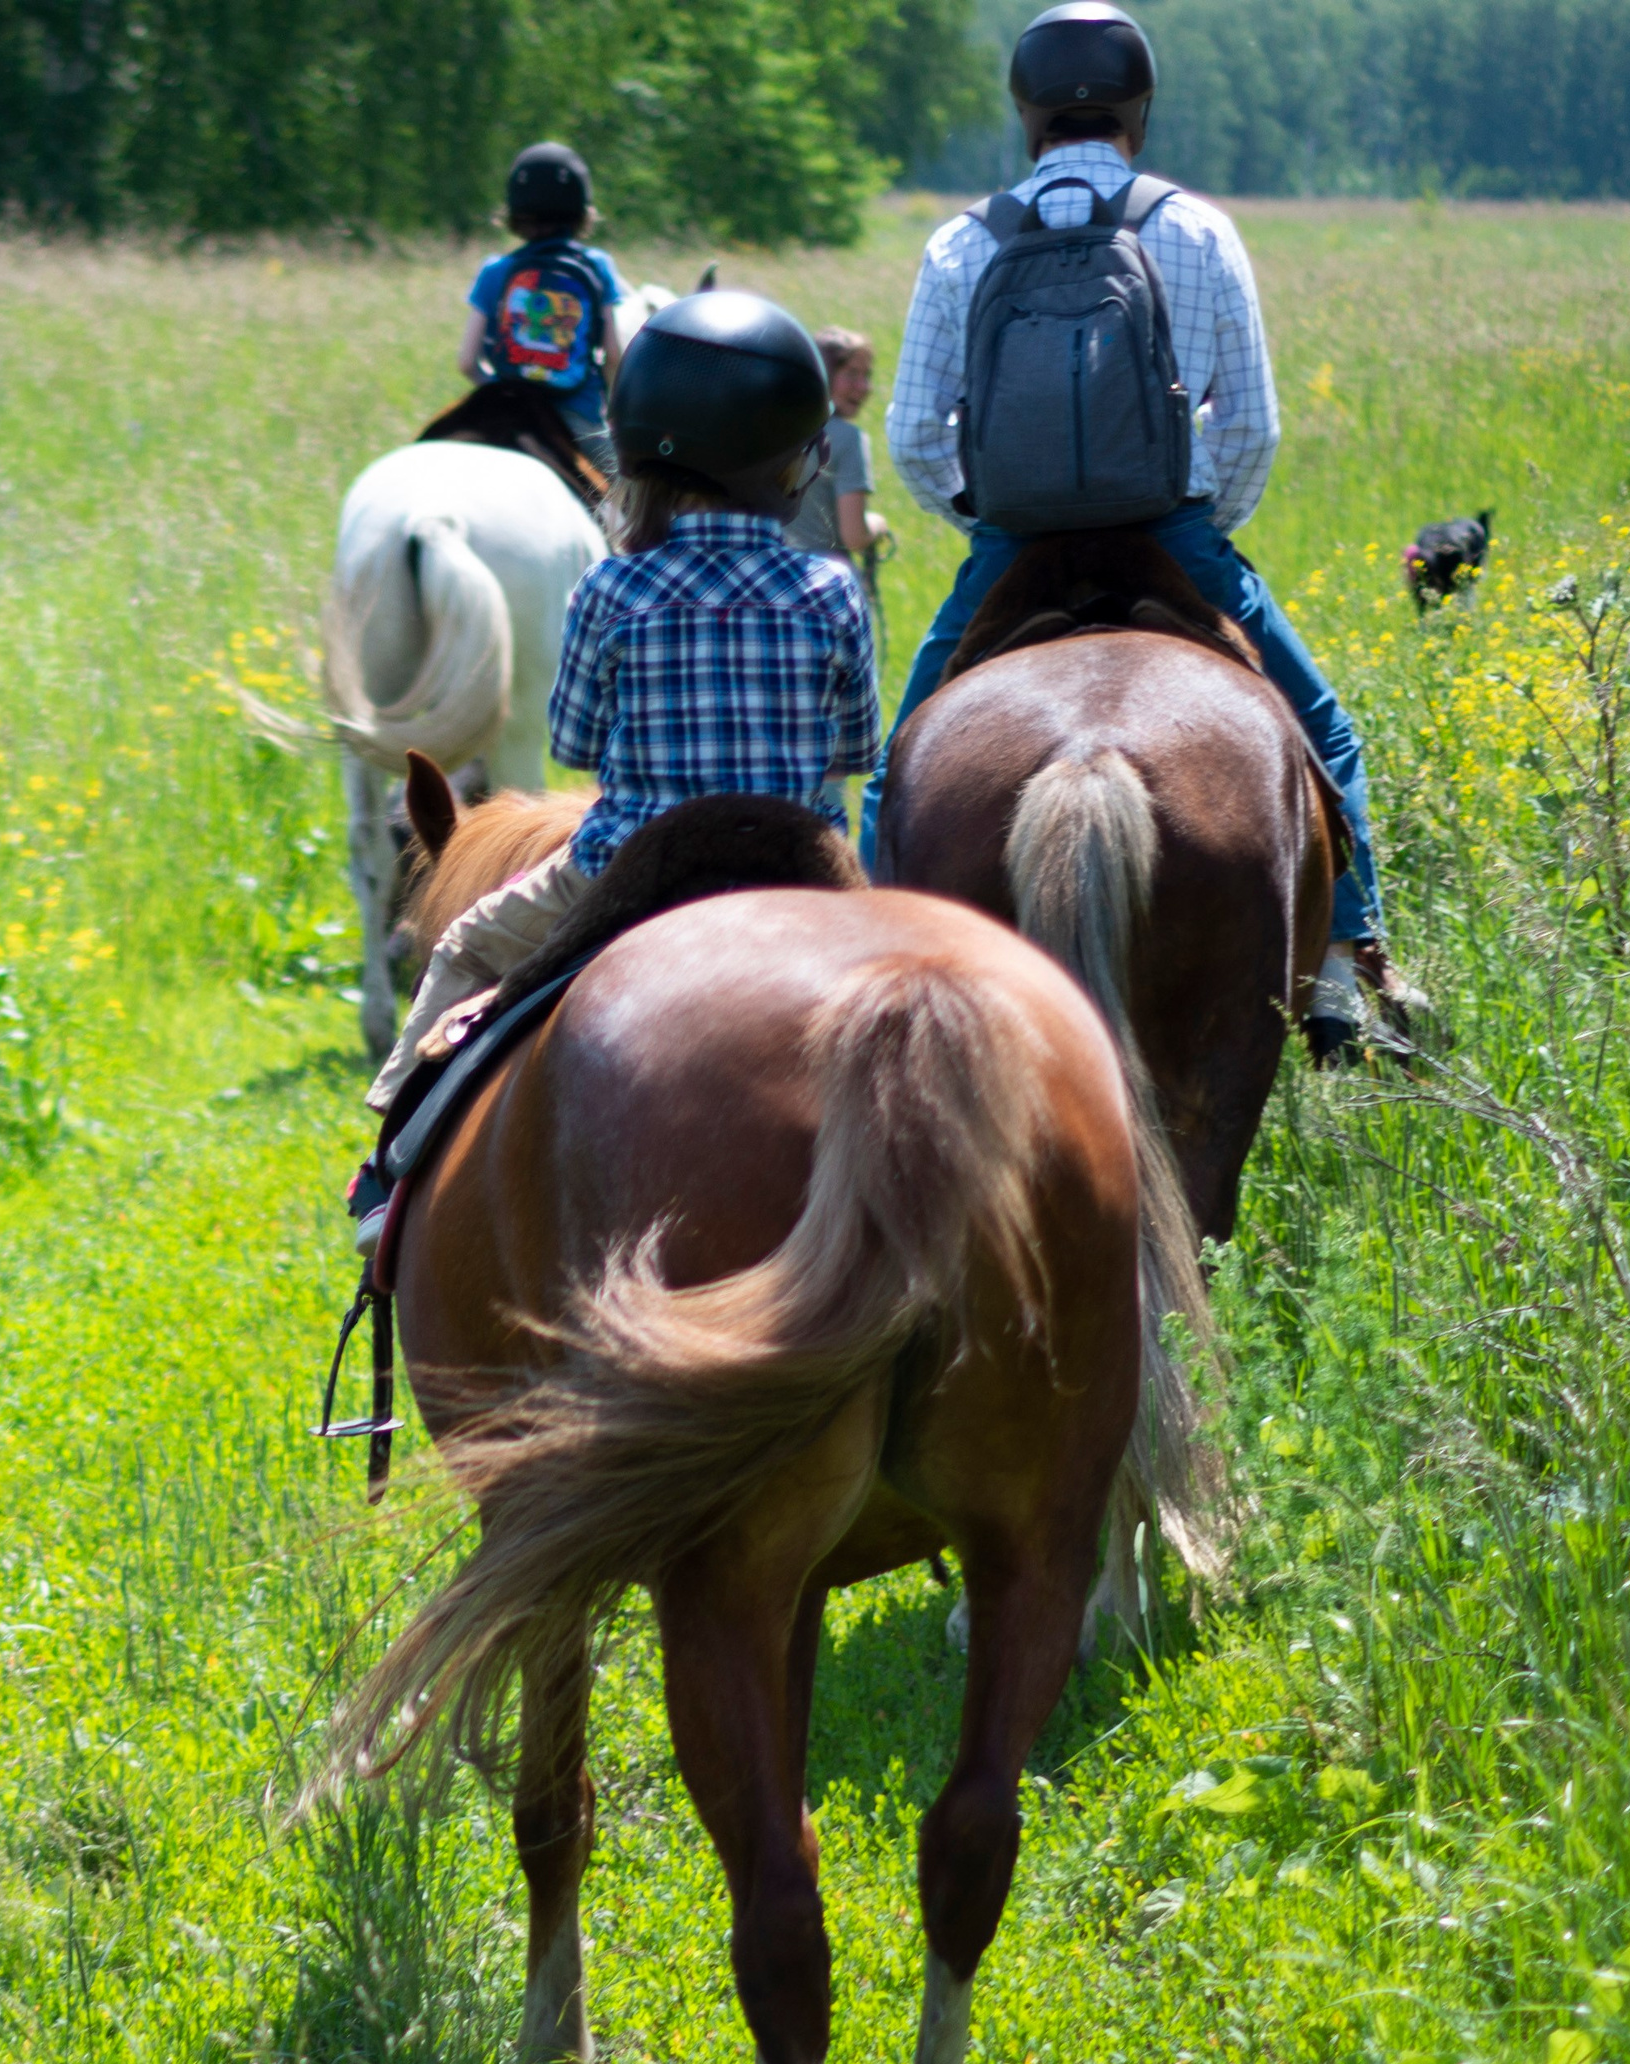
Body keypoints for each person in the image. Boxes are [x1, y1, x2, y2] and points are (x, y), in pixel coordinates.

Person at [864, 1, 1417, 1059]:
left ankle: (875, 959)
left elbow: (915, 436)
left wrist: (987, 512)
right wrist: (1200, 520)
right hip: (1174, 534)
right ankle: (1346, 963)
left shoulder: (961, 242)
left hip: (1014, 547)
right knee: (1324, 729)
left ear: (1026, 113)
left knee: (900, 763)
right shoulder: (1195, 228)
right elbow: (1249, 424)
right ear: (1138, 109)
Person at [347, 294, 881, 1254]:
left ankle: (392, 1161)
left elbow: (575, 743)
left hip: (627, 866)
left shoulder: (613, 585)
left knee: (464, 946)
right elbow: (856, 750)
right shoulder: (830, 588)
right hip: (801, 868)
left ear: (640, 454)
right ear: (797, 461)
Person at [458, 143, 632, 476]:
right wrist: (613, 411)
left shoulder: (495, 270)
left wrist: (496, 390)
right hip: (576, 420)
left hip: (507, 413)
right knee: (628, 492)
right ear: (581, 210)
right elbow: (613, 354)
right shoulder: (597, 265)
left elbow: (466, 361)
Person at [786, 327, 891, 569]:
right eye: (852, 374)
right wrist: (877, 525)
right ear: (822, 374)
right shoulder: (848, 438)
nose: (864, 386)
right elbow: (854, 537)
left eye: (867, 375)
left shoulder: (773, 427)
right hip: (820, 577)